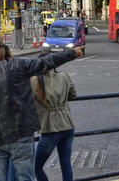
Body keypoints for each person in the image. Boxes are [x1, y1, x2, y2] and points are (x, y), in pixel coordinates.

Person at [0, 34, 83, 181]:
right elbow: (46, 62)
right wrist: (72, 52)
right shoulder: (16, 66)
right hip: (21, 134)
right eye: (3, 46)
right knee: (25, 177)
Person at [31, 53, 77, 181]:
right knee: (65, 163)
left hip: (50, 128)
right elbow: (73, 95)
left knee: (35, 166)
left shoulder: (34, 81)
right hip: (67, 125)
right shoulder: (63, 76)